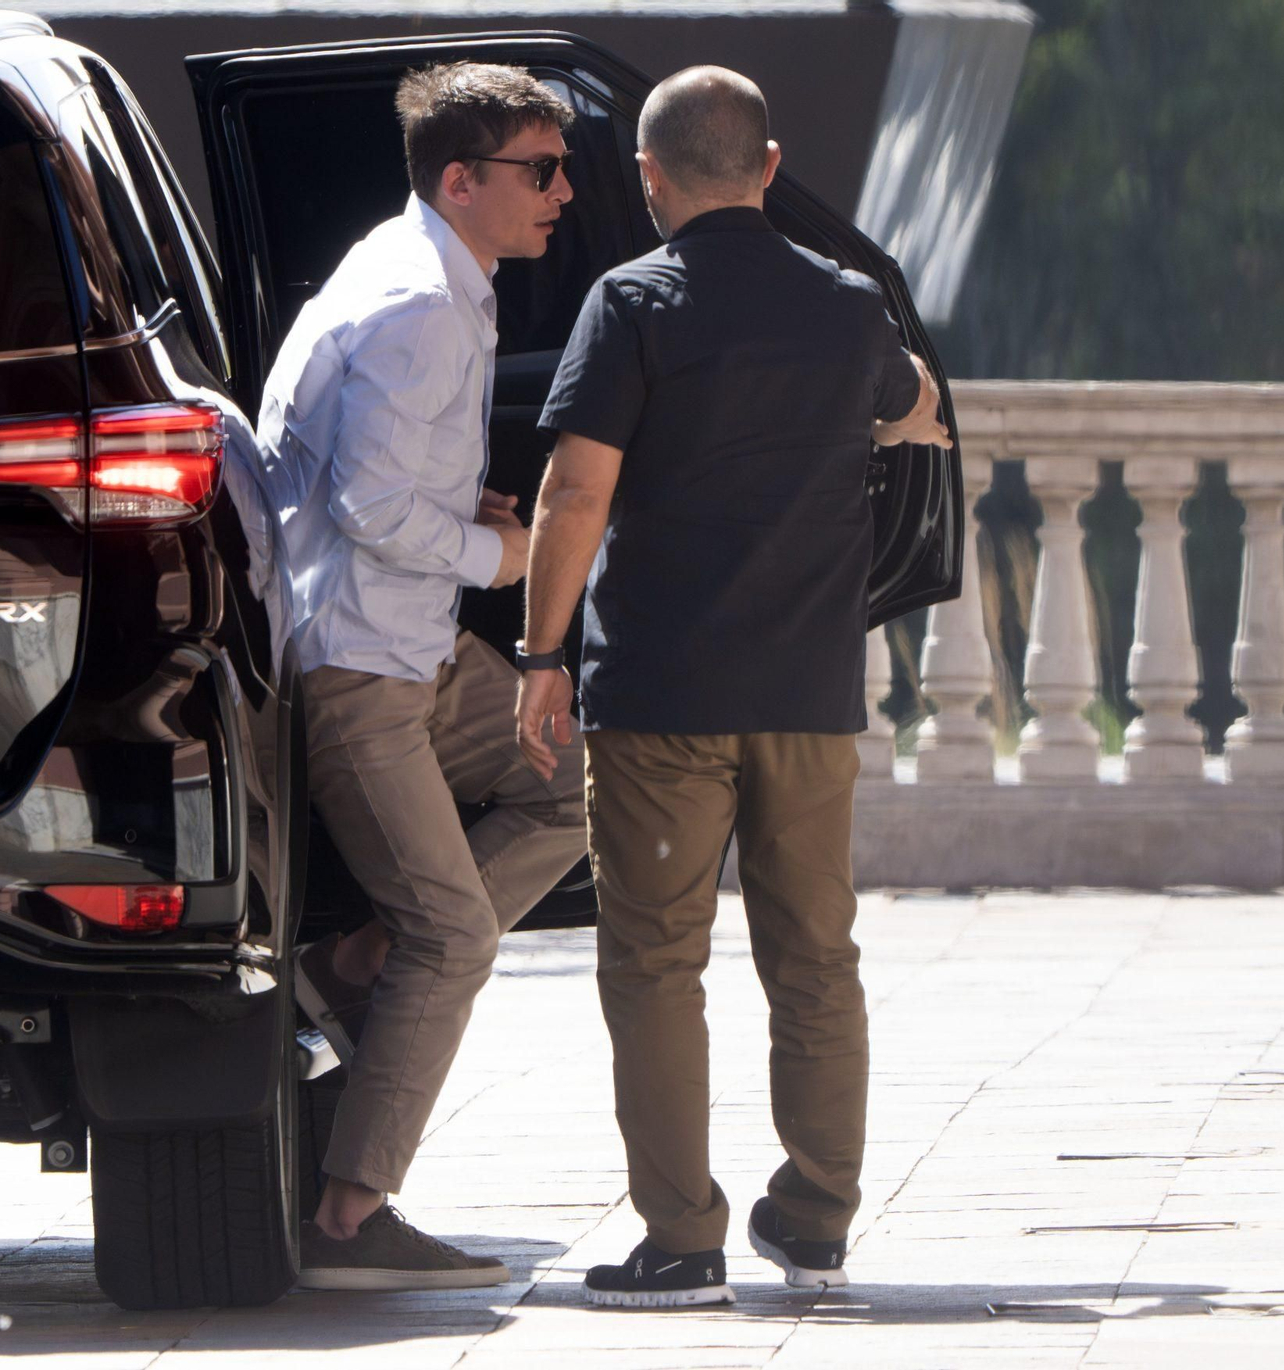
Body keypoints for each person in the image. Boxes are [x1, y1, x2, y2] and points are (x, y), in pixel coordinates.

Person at [515, 66, 950, 1307]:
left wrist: (541, 655)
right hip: (808, 693)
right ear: (767, 168)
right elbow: (918, 406)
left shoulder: (631, 300)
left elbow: (575, 491)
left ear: (648, 180)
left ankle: (682, 1237)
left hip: (659, 692)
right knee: (816, 956)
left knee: (656, 962)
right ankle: (814, 1219)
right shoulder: (848, 304)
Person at [260, 62, 590, 1288]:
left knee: (569, 785)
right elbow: (365, 507)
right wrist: (500, 550)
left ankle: (344, 971)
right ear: (463, 181)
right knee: (453, 937)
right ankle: (347, 1220)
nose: (563, 191)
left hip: (414, 647)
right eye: (539, 170)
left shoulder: (433, 273)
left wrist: (463, 512)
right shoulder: (416, 304)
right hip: (359, 667)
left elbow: (383, 484)